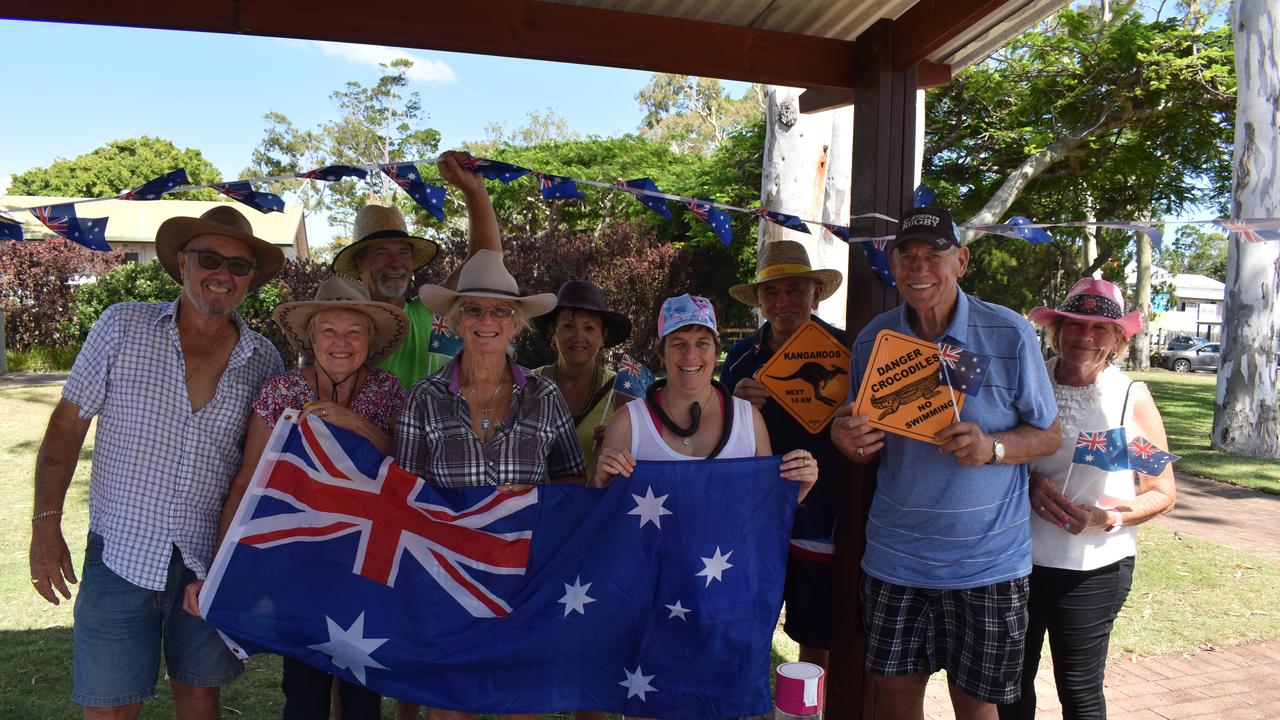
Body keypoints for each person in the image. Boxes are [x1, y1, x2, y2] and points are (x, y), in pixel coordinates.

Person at [28, 205, 285, 719]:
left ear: (251, 281)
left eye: (238, 266)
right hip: (121, 551)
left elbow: (259, 473)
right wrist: (44, 527)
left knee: (199, 698)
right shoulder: (123, 325)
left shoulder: (264, 360)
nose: (222, 274)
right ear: (182, 265)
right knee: (111, 706)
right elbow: (65, 428)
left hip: (205, 559)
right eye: (209, 259)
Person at [830, 206, 1061, 719]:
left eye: (933, 256)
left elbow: (1049, 435)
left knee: (976, 704)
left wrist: (993, 448)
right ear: (892, 265)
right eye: (906, 257)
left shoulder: (1008, 334)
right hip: (896, 556)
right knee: (893, 692)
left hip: (988, 563)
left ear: (961, 260)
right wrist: (845, 437)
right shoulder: (874, 341)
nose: (919, 269)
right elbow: (852, 428)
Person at [182, 275, 409, 720]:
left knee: (363, 692)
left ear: (370, 340)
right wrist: (219, 568)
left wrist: (357, 424)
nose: (341, 343)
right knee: (304, 693)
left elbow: (407, 473)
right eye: (329, 330)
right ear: (310, 336)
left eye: (354, 332)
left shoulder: (389, 392)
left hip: (366, 561)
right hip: (298, 562)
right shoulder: (282, 392)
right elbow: (250, 480)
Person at [394, 249, 584, 720]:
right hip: (448, 579)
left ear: (516, 324)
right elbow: (404, 492)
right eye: (474, 310)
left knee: (517, 705)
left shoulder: (544, 397)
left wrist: (536, 505)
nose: (487, 320)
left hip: (523, 577)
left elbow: (571, 479)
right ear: (456, 322)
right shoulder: (424, 397)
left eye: (500, 311)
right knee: (448, 710)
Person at [999, 278, 1177, 720]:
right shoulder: (1029, 380)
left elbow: (1161, 492)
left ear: (1118, 338)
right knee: (1009, 686)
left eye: (1099, 328)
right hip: (1016, 561)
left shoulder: (1127, 398)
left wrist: (1106, 518)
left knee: (1078, 692)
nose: (1084, 336)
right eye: (1074, 324)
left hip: (1093, 569)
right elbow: (996, 454)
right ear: (1055, 328)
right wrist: (1028, 480)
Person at [721, 239, 846, 670]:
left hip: (822, 517)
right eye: (772, 292)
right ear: (759, 301)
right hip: (754, 517)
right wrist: (736, 408)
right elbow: (716, 442)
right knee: (745, 627)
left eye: (795, 289)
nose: (783, 301)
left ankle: (805, 711)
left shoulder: (847, 352)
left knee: (815, 638)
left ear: (815, 293)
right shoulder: (739, 359)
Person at [331, 150, 502, 388]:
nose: (395, 262)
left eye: (404, 252)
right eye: (381, 253)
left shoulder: (431, 310)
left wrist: (474, 189)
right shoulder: (339, 330)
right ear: (359, 262)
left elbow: (486, 260)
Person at [533, 279, 633, 479]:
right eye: (569, 326)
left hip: (597, 508)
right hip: (537, 507)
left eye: (589, 328)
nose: (578, 336)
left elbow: (637, 459)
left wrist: (617, 443)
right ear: (554, 331)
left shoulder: (621, 391)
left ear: (603, 335)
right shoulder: (528, 384)